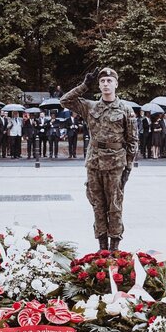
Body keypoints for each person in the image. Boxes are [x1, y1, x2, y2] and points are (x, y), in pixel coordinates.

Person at [60, 67, 138, 252]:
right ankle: (102, 246)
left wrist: (128, 167)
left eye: (109, 81)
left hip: (116, 163)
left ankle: (115, 247)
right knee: (97, 204)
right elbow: (65, 101)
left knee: (115, 205)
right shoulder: (90, 106)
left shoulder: (126, 110)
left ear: (116, 84)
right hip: (94, 162)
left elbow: (133, 140)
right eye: (102, 81)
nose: (105, 84)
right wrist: (84, 85)